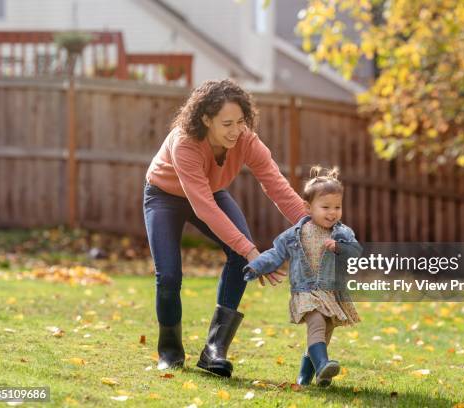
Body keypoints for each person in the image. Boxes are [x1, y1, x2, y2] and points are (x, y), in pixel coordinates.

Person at [143, 79, 307, 377]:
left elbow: (277, 187)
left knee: (238, 254)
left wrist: (312, 227)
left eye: (241, 122)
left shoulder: (246, 140)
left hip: (210, 191)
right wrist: (251, 251)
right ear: (205, 119)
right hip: (164, 196)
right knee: (168, 275)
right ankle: (170, 351)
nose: (236, 131)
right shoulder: (185, 143)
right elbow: (204, 208)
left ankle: (214, 350)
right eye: (227, 123)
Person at [243, 166, 362, 387]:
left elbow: (357, 252)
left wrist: (339, 248)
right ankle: (324, 363)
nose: (332, 212)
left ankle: (309, 376)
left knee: (324, 333)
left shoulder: (342, 234)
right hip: (306, 291)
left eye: (337, 207)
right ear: (308, 207)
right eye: (325, 207)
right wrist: (255, 267)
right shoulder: (294, 235)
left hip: (332, 292)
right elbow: (275, 253)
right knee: (315, 324)